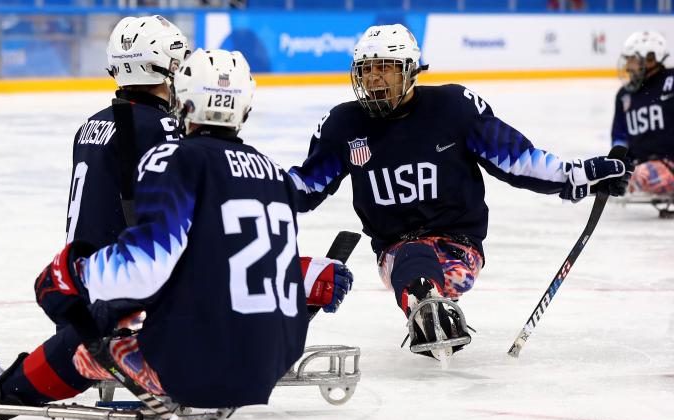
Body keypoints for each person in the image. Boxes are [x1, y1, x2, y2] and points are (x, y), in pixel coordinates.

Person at [0, 48, 354, 420]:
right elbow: (235, 258)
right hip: (270, 363)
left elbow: (144, 268)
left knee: (92, 337)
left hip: (192, 369)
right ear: (246, 105)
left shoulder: (173, 159)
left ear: (183, 99)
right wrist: (309, 273)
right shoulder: (272, 172)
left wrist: (71, 275)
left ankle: (0, 395)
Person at [287, 24, 631, 361]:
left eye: (384, 68)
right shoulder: (342, 125)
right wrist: (258, 186)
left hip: (460, 247)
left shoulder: (453, 107)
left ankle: (430, 305)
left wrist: (578, 176)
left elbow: (516, 159)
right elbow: (307, 185)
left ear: (409, 71)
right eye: (366, 69)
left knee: (420, 262)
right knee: (411, 257)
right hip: (394, 253)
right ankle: (427, 303)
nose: (373, 77)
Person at [65, 15, 187, 251]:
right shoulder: (161, 127)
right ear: (159, 67)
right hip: (121, 277)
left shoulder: (90, 125)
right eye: (176, 65)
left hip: (80, 272)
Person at [612, 30, 673, 198]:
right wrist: (616, 166)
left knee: (641, 177)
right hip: (641, 166)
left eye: (632, 59)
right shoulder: (624, 95)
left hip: (668, 164)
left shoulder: (671, 82)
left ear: (651, 59)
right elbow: (620, 136)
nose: (627, 66)